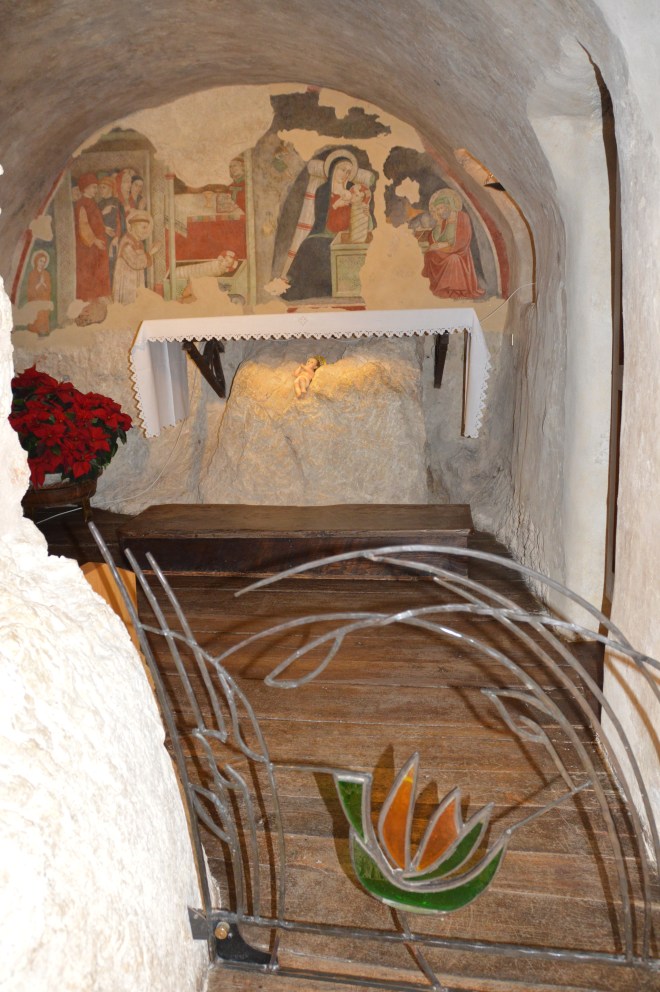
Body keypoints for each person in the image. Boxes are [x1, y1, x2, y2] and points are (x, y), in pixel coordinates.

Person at [282, 151, 367, 301]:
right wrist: (336, 205)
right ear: (334, 169)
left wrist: (360, 208)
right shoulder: (323, 190)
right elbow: (320, 217)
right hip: (324, 232)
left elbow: (362, 206)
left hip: (346, 234)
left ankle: (334, 289)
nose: (345, 174)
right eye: (342, 170)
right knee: (310, 245)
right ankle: (311, 289)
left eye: (348, 172)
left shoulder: (353, 189)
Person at [420, 188, 484, 299]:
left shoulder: (462, 217)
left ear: (448, 206)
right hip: (444, 252)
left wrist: (444, 245)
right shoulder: (443, 220)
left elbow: (464, 240)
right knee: (430, 254)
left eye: (441, 208)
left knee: (453, 259)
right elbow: (434, 240)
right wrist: (438, 224)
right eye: (437, 210)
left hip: (459, 253)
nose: (439, 212)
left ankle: (456, 290)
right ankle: (442, 287)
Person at [74, 172, 111, 301]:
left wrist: (105, 229)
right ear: (86, 188)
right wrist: (95, 241)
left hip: (97, 243)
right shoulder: (82, 203)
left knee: (100, 269)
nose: (96, 190)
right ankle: (90, 299)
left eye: (96, 187)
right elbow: (83, 225)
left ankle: (100, 296)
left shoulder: (91, 202)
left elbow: (95, 221)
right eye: (94, 187)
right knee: (89, 270)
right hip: (88, 247)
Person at [112, 210, 161, 305]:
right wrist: (151, 252)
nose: (146, 231)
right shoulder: (127, 242)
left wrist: (149, 253)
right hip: (126, 282)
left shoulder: (139, 243)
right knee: (128, 305)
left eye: (147, 228)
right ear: (134, 226)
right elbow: (136, 262)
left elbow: (142, 262)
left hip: (136, 281)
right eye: (143, 227)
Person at [26, 250, 52, 336]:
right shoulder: (32, 274)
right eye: (41, 261)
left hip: (44, 299)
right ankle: (34, 331)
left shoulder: (46, 274)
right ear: (36, 261)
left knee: (43, 314)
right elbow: (30, 290)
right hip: (35, 300)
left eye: (44, 262)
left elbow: (49, 289)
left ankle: (43, 332)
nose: (42, 263)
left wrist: (43, 284)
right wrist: (39, 283)